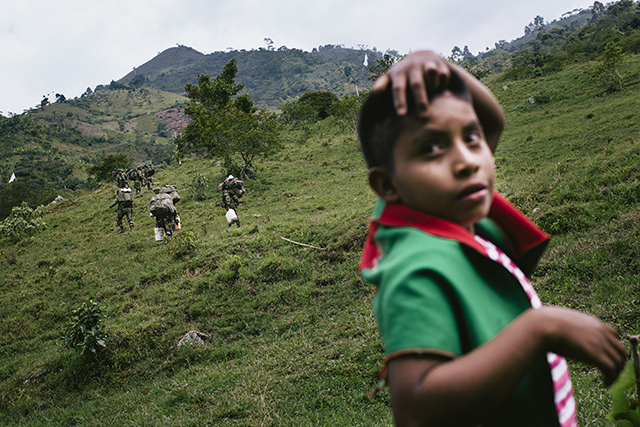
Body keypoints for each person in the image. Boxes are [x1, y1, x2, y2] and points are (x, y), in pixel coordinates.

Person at [358, 50, 626, 427]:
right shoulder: (414, 271)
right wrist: (541, 327)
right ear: (387, 185)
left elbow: (491, 121)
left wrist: (438, 65)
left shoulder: (448, 215)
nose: (467, 160)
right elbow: (416, 410)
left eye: (470, 137)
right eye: (432, 148)